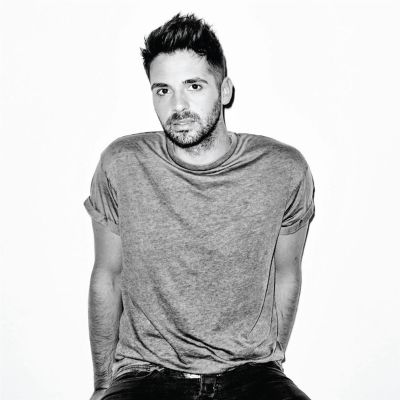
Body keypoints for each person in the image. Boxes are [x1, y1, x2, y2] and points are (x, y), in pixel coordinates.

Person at [84, 12, 315, 400]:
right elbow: (108, 275)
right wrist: (103, 385)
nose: (178, 105)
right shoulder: (122, 163)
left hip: (251, 373)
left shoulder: (283, 169)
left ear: (224, 91)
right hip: (146, 374)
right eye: (163, 90)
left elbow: (287, 272)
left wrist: (267, 361)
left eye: (193, 85)